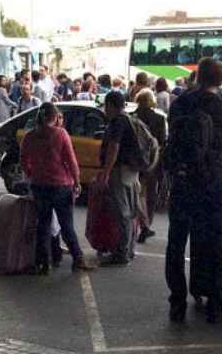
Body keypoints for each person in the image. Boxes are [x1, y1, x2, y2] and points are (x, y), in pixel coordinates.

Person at [165, 57, 222, 324]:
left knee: (176, 242)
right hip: (212, 184)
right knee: (214, 243)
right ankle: (216, 304)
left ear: (197, 77)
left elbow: (171, 140)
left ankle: (177, 303)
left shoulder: (180, 104)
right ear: (221, 80)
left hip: (183, 182)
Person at [20, 102, 92, 274]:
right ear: (55, 117)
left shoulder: (29, 136)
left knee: (43, 224)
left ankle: (43, 263)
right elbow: (71, 160)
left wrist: (32, 173)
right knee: (66, 225)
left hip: (39, 185)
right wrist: (77, 181)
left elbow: (24, 160)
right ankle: (78, 258)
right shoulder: (61, 134)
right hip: (61, 186)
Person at [95, 91, 139, 266]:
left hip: (120, 171)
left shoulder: (118, 122)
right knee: (129, 210)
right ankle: (129, 249)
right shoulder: (128, 119)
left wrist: (106, 172)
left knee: (122, 212)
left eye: (106, 105)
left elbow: (114, 147)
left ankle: (122, 253)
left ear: (111, 105)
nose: (105, 109)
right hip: (131, 171)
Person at [133, 89, 166, 244]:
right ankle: (147, 225)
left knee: (138, 194)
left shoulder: (132, 117)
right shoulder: (159, 119)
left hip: (135, 162)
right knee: (151, 195)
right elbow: (162, 142)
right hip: (153, 161)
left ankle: (140, 225)